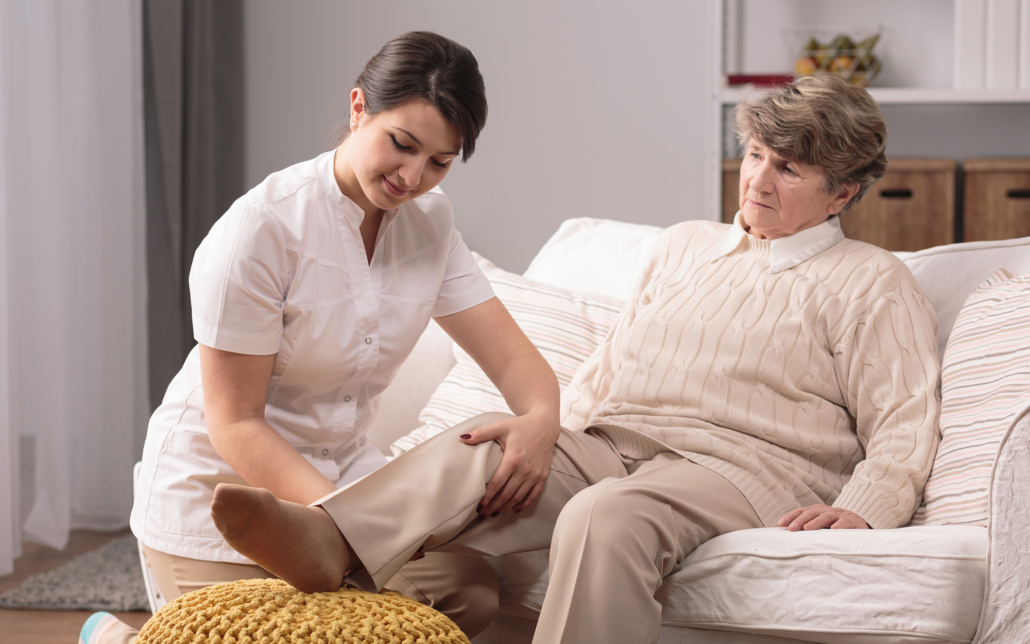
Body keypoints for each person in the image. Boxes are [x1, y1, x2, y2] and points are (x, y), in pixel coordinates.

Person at [207, 76, 941, 644]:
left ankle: (341, 545)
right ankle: (327, 536)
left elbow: (905, 426)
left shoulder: (872, 281)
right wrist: (544, 439)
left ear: (842, 191)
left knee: (606, 515)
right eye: (754, 155)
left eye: (788, 169)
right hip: (612, 442)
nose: (757, 180)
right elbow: (612, 366)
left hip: (737, 472)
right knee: (487, 444)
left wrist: (863, 513)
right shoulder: (685, 245)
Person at [79, 31, 563, 644]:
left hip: (343, 489)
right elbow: (236, 425)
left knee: (467, 594)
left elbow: (514, 359)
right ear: (359, 108)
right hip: (220, 495)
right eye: (403, 145)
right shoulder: (260, 230)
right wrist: (348, 526)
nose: (413, 177)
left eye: (439, 162)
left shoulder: (430, 226)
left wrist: (542, 419)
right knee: (264, 632)